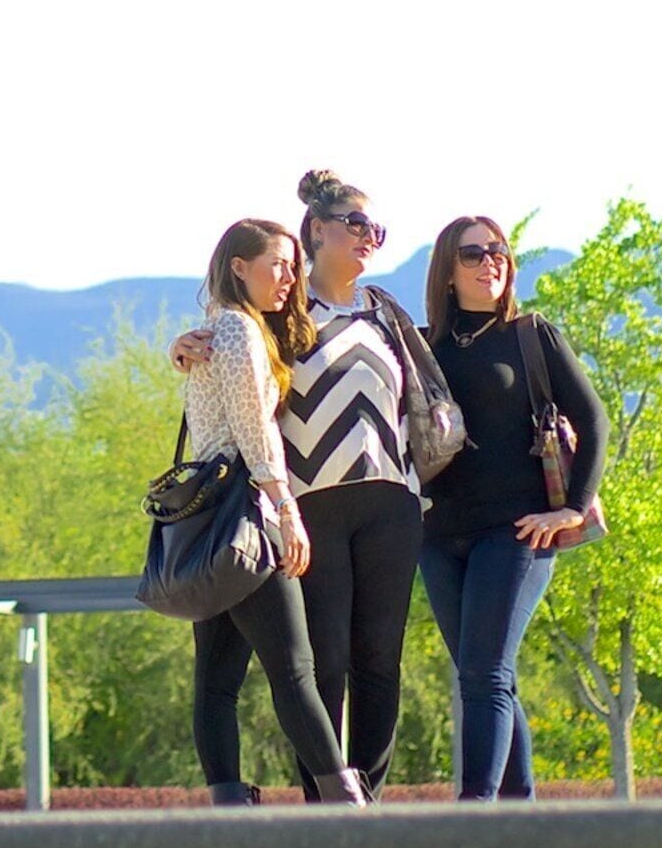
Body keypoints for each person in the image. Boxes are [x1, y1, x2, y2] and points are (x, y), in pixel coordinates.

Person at [175, 169, 425, 796]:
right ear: (318, 230)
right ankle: (326, 801)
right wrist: (180, 346)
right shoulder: (281, 313)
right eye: (357, 225)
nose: (370, 238)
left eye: (378, 229)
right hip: (309, 503)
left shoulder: (387, 312)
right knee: (319, 663)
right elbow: (232, 368)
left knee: (379, 662)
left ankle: (367, 794)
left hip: (392, 501)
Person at [415, 215, 604, 799]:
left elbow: (593, 420)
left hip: (517, 531)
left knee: (485, 677)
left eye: (497, 251)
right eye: (473, 254)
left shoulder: (531, 334)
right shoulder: (419, 347)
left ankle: (474, 820)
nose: (490, 261)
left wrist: (572, 509)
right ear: (448, 272)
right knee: (489, 679)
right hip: (437, 536)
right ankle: (521, 824)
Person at [179, 218, 362, 805]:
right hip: (244, 515)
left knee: (217, 680)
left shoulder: (226, 328)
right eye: (277, 264)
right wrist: (286, 509)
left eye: (292, 264)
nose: (290, 277)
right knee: (293, 669)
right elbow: (254, 430)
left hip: (209, 521)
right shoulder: (236, 330)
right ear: (240, 267)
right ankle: (348, 805)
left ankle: (230, 810)